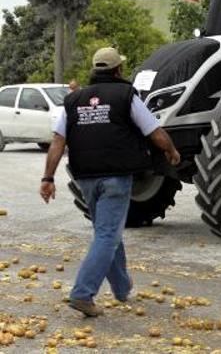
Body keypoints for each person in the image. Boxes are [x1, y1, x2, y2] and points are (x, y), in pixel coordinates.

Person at [39, 47, 181, 316]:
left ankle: (122, 288)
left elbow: (58, 141)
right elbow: (154, 131)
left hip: (86, 179)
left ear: (94, 70)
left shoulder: (74, 100)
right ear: (118, 71)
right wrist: (171, 151)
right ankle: (82, 293)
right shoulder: (126, 95)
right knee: (107, 235)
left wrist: (48, 177)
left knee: (107, 232)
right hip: (115, 177)